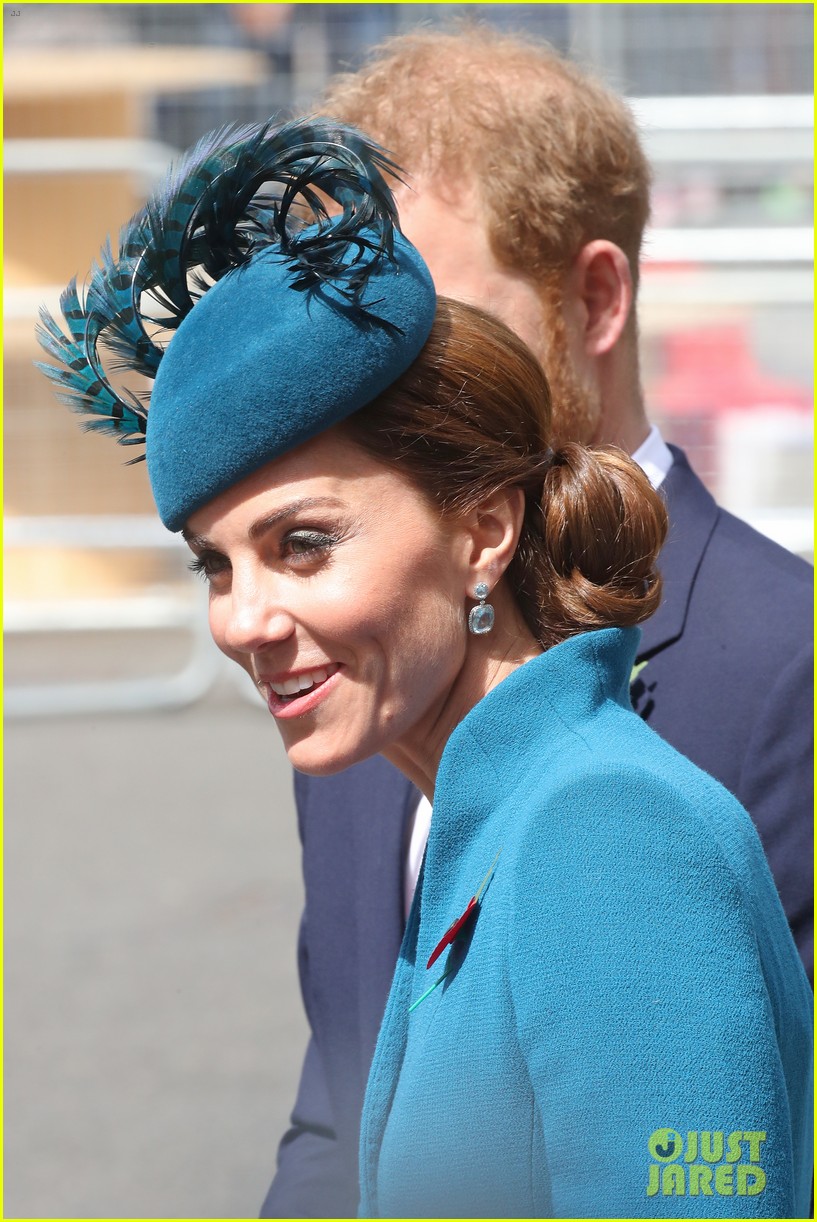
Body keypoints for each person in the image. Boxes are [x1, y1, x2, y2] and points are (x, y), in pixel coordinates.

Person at [37, 116, 812, 1220]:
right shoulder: (482, 808)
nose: (243, 619)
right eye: (216, 564)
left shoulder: (611, 830)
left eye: (304, 544)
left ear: (483, 529)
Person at [262, 29, 814, 1217]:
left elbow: (729, 1161)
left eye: (425, 329)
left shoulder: (786, 659)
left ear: (595, 297)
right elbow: (338, 1102)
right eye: (348, 335)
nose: (371, 388)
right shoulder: (369, 652)